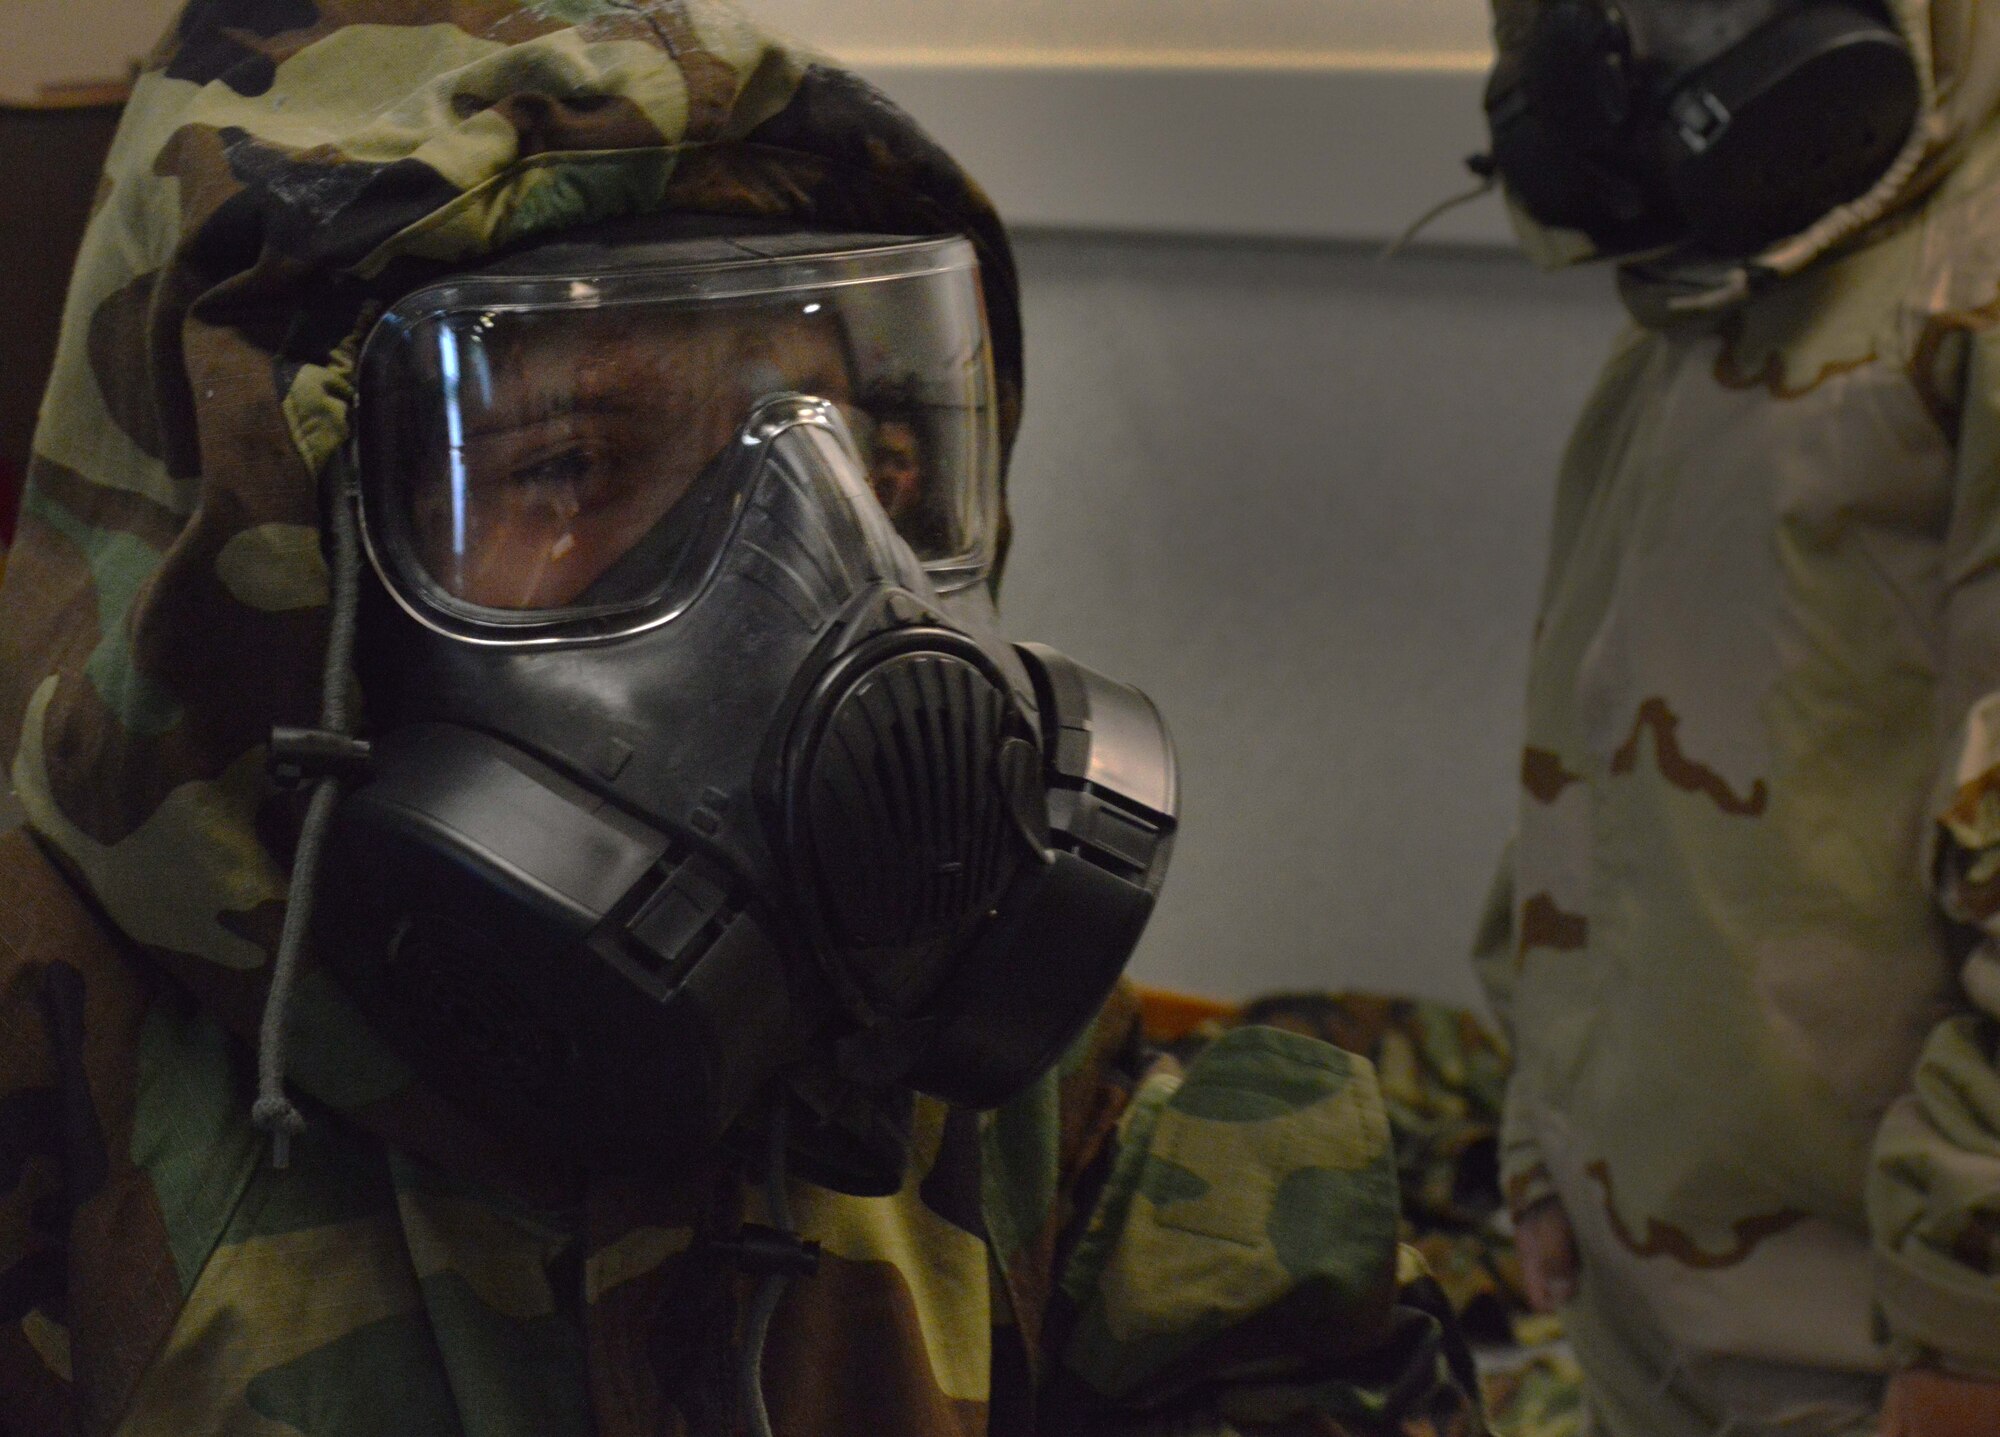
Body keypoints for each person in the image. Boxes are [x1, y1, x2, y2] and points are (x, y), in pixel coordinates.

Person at [0, 3, 1484, 1434]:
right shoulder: (54, 1083)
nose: (807, 580)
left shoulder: (946, 1047)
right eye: (573, 463)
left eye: (851, 452)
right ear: (281, 555)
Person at [1473, 1, 2000, 1433]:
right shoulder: (1715, 280)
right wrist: (1545, 1130)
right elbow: (1598, 752)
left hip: (1892, 1368)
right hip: (1660, 1334)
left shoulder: (1966, 284)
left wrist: (1970, 1329)